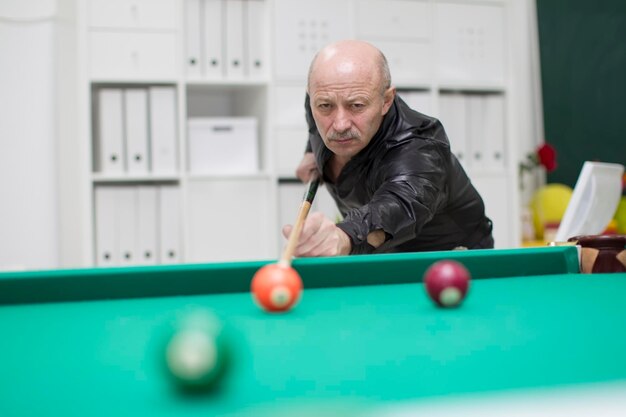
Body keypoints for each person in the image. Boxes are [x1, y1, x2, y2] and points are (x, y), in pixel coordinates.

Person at [282, 40, 493, 257]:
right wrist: (311, 151)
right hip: (377, 253)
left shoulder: (421, 146)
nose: (340, 124)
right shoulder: (320, 97)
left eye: (357, 106)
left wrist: (343, 237)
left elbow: (399, 204)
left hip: (450, 259)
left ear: (386, 100)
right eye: (325, 106)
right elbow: (314, 115)